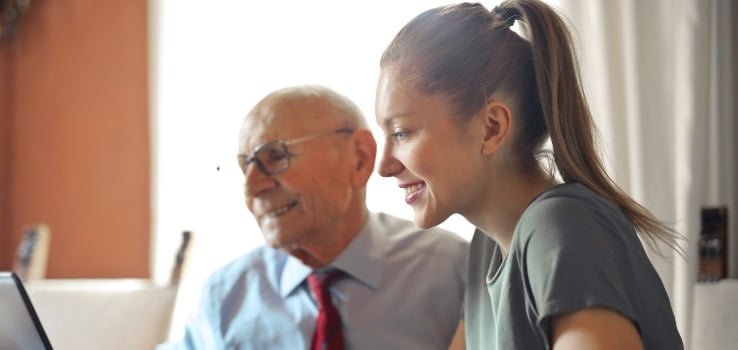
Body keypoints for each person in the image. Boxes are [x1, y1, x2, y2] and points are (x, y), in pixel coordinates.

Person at [374, 1, 684, 349]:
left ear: (491, 128)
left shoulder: (561, 226)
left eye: (401, 132)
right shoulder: (486, 249)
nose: (384, 166)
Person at [157, 85, 469, 350]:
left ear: (359, 158)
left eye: (276, 156)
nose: (252, 186)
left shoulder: (453, 270)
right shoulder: (225, 296)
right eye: (245, 166)